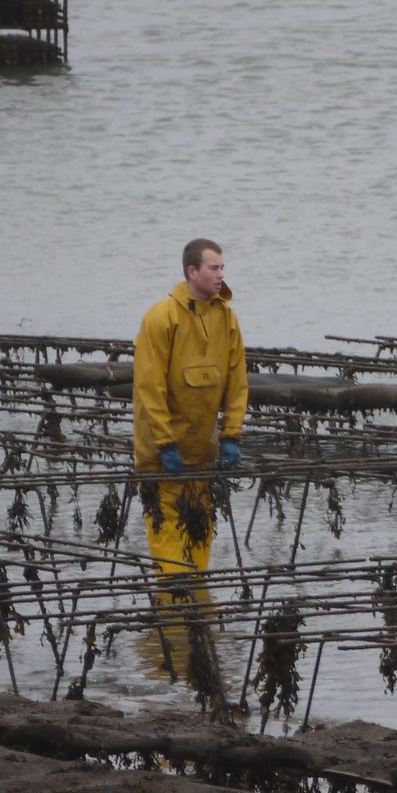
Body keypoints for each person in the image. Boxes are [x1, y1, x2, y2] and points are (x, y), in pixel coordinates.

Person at [132, 239, 249, 695]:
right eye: (213, 267)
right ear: (191, 271)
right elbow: (148, 386)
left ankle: (194, 616)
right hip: (162, 452)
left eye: (222, 267)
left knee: (201, 531)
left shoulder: (226, 317)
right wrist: (164, 444)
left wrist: (233, 436)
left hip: (203, 449)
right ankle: (173, 623)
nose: (221, 274)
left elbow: (236, 379)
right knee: (166, 532)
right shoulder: (160, 318)